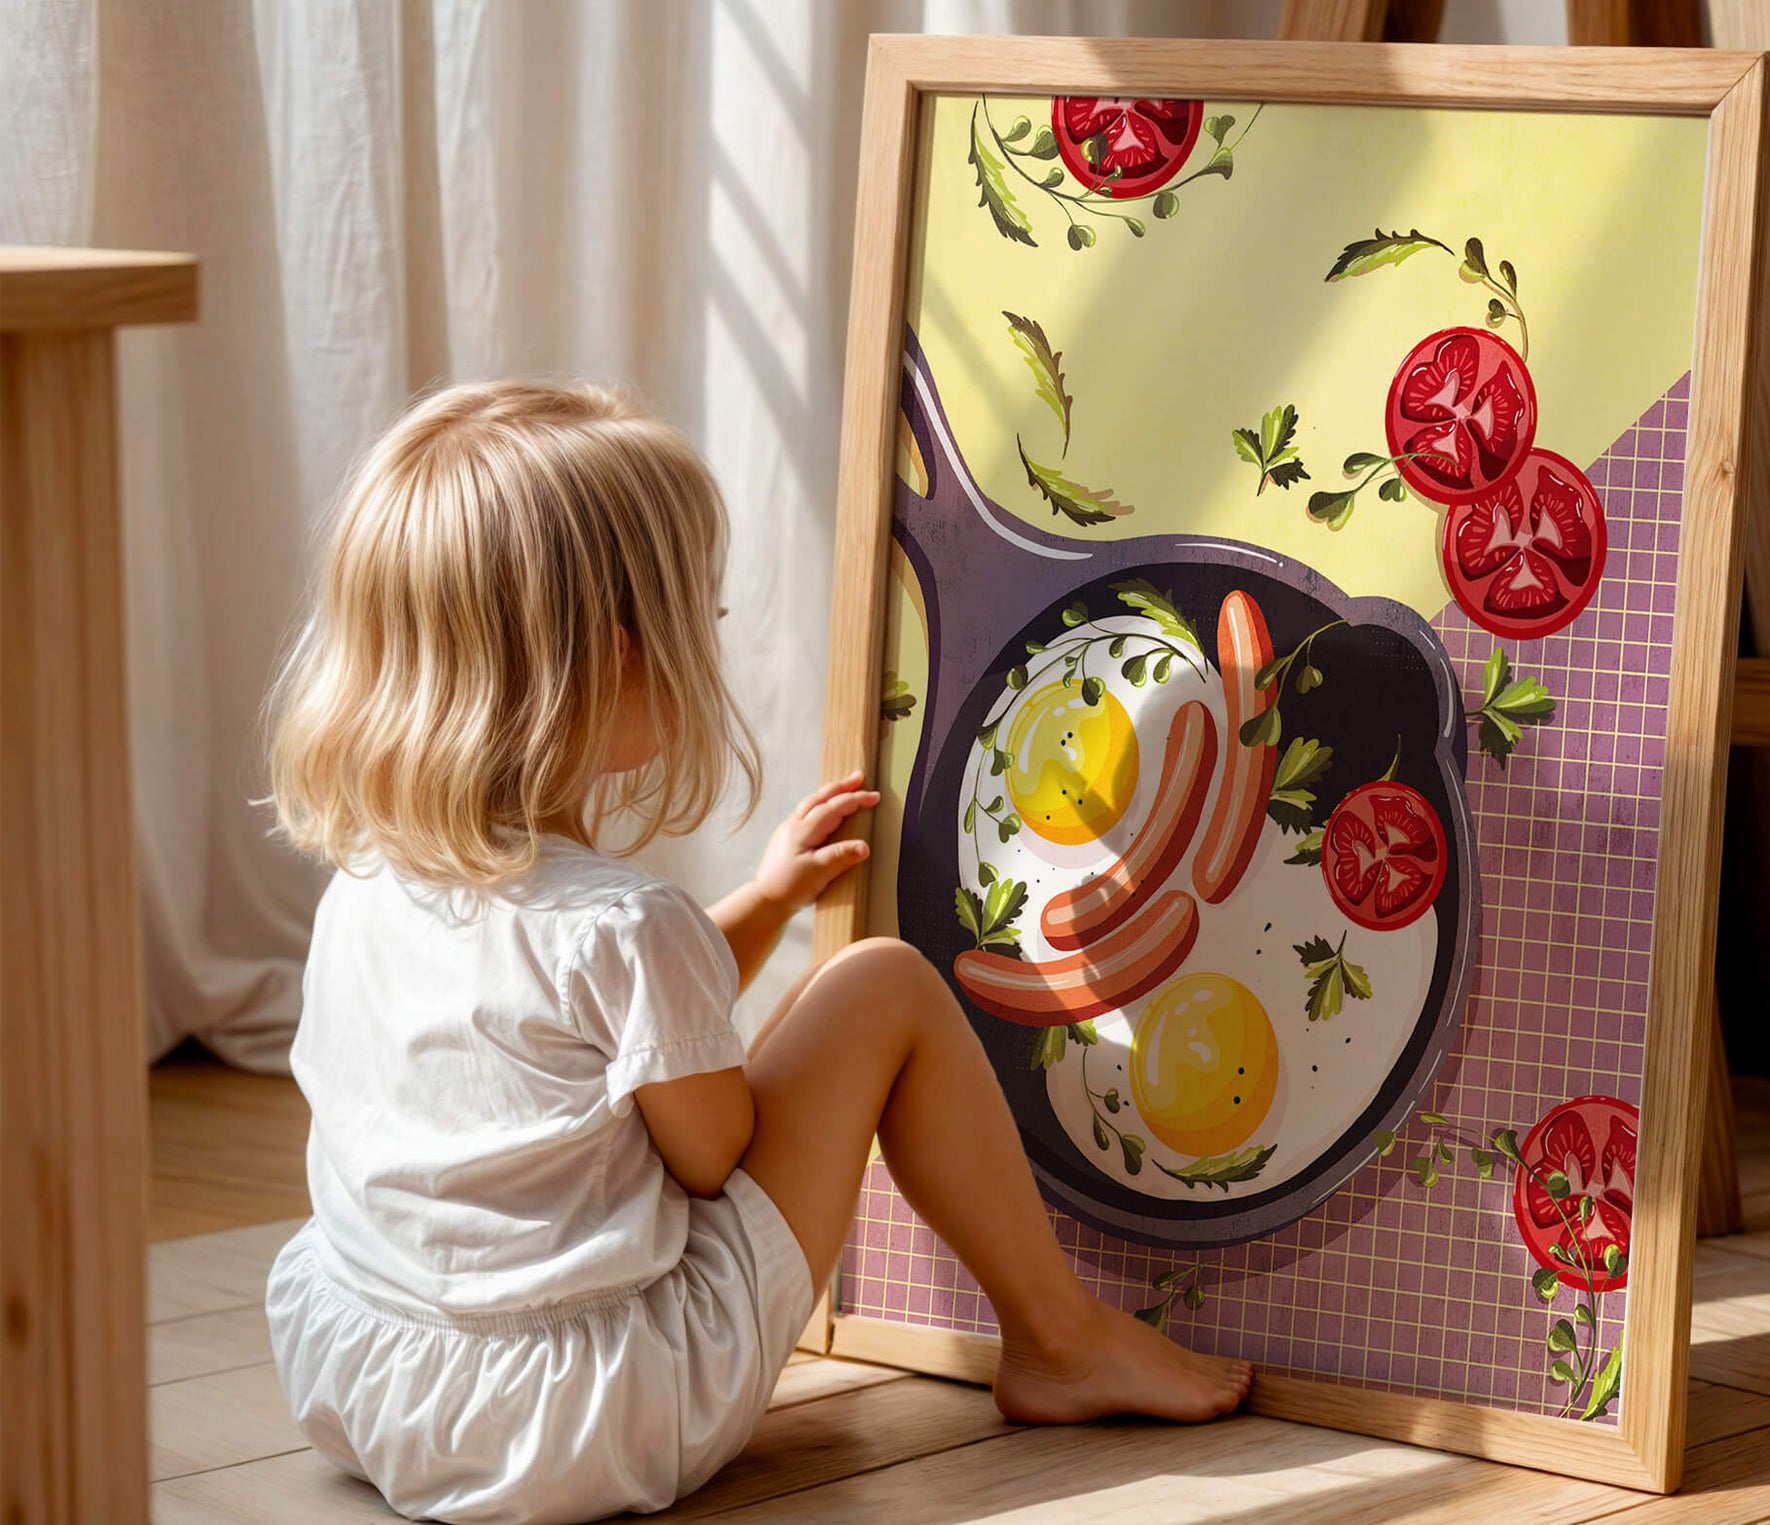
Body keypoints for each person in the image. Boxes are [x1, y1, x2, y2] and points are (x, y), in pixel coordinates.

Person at [261, 381, 1251, 1524]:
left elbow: (584, 1036)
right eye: (703, 621)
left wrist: (769, 904)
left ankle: (1062, 1338)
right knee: (882, 985)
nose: (713, 642)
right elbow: (707, 1148)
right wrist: (793, 1040)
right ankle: (1058, 1338)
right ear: (621, 662)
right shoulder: (624, 923)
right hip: (588, 1416)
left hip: (369, 1376)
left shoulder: (366, 884)